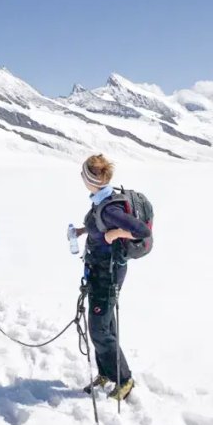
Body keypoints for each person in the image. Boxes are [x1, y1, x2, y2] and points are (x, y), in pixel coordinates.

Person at [73, 154, 151, 401]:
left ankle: (124, 379)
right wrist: (83, 230)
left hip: (108, 273)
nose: (81, 177)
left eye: (83, 174)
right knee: (105, 324)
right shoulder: (102, 199)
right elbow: (101, 225)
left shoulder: (109, 207)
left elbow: (141, 231)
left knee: (98, 329)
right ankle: (106, 371)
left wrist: (114, 234)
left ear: (90, 179)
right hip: (98, 270)